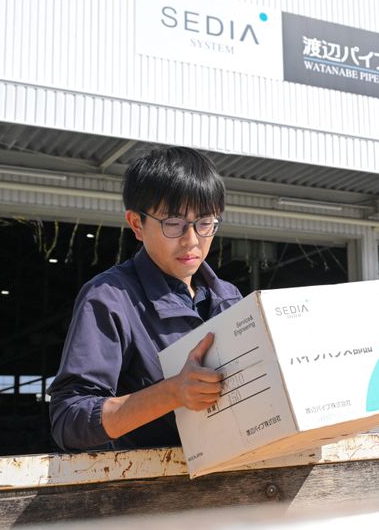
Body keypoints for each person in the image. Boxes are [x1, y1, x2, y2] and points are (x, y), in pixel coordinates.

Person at [48, 146, 242, 451]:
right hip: (156, 479)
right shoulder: (110, 299)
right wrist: (172, 393)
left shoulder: (230, 299)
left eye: (205, 223)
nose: (192, 240)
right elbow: (69, 421)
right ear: (137, 224)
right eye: (174, 223)